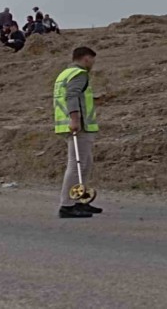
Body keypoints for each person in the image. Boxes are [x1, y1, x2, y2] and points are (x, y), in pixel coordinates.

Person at [54, 47, 101, 218]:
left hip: (71, 125)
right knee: (77, 165)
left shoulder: (64, 74)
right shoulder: (78, 74)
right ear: (86, 58)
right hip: (78, 126)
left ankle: (80, 200)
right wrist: (75, 119)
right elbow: (71, 96)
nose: (93, 64)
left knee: (85, 164)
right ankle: (67, 205)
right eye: (92, 60)